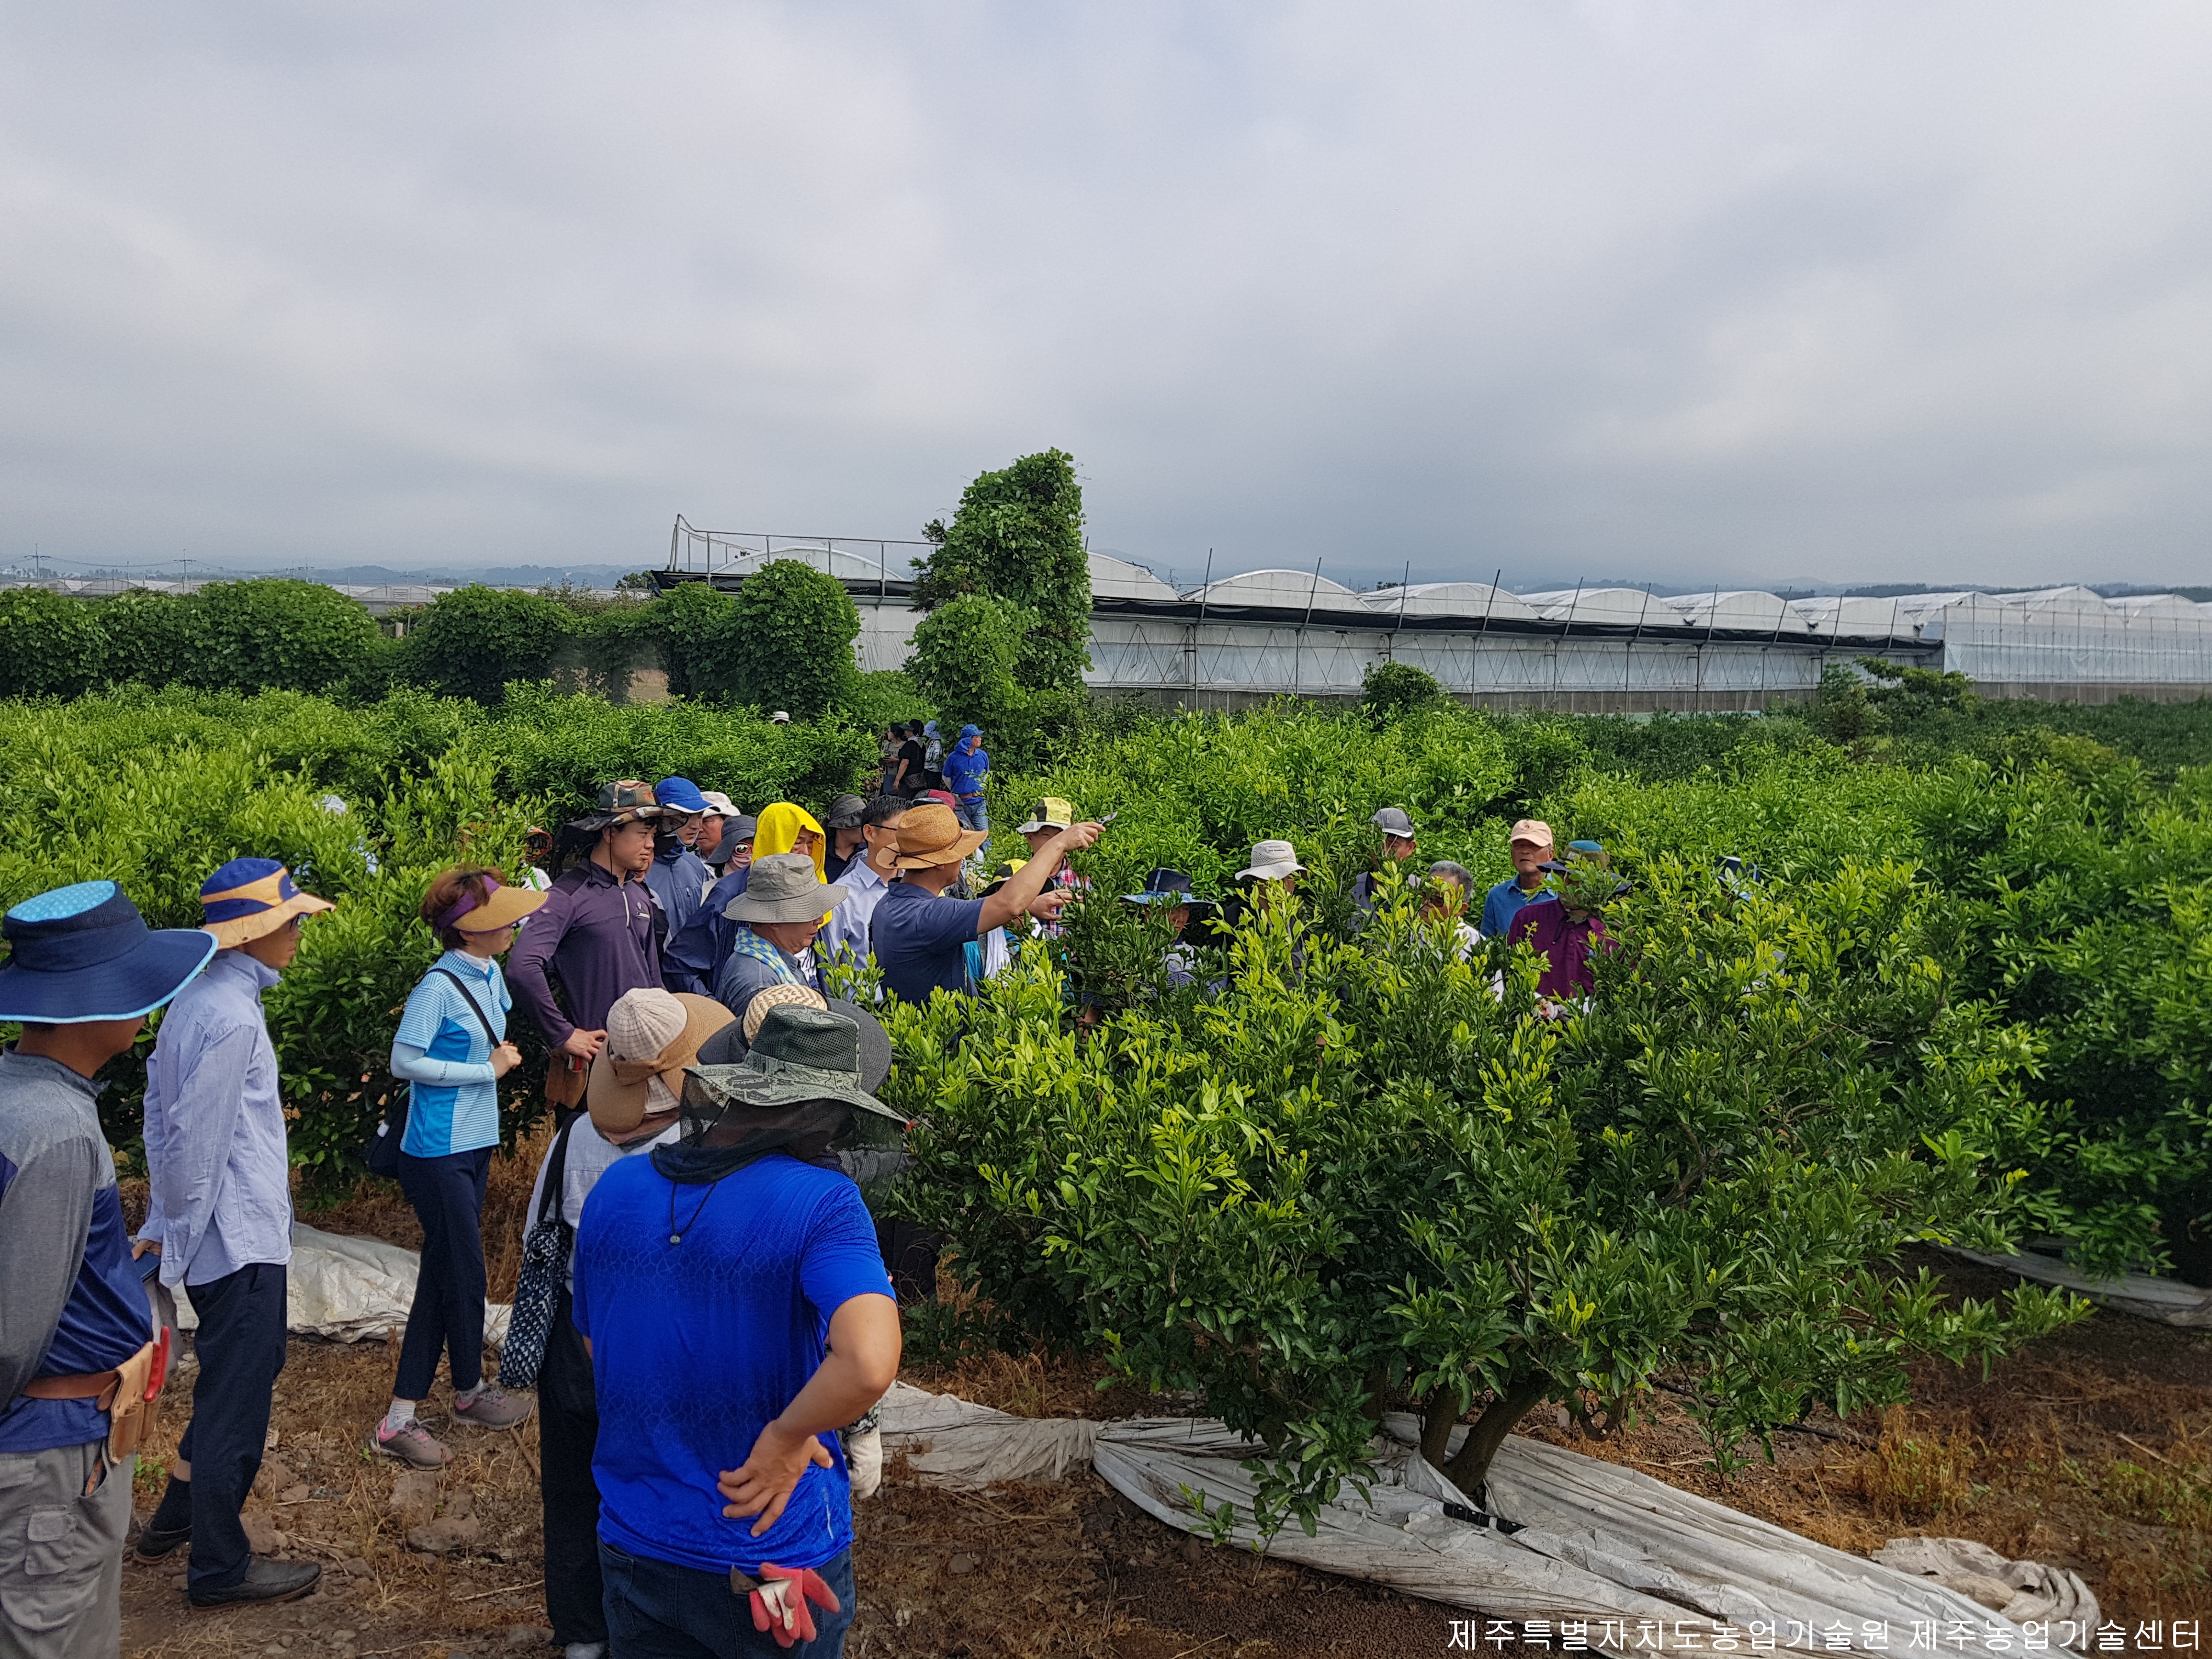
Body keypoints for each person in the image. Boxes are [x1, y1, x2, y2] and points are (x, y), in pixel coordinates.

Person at [571, 1003, 905, 1658]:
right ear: (822, 1113)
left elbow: (597, 1344)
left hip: (637, 1540)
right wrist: (788, 1433)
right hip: (770, 1551)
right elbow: (868, 1361)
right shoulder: (826, 1202)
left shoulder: (617, 1186)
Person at [1, 882, 215, 1644]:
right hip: (47, 1458)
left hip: (59, 1446)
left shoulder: (20, 1092)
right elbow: (12, 1331)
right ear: (96, 1005)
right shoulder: (55, 1127)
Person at [134, 860, 335, 1607]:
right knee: (237, 1403)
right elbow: (195, 1141)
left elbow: (162, 1119)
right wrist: (177, 1234)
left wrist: (164, 1224)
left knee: (230, 1385)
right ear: (253, 933)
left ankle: (175, 1522)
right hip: (238, 1241)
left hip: (226, 1238)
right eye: (290, 921)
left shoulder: (195, 1002)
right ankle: (219, 1568)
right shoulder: (231, 1016)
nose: (299, 931)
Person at [532, 988, 732, 1659]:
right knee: (653, 1487)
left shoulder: (570, 1141)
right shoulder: (697, 1150)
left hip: (577, 1345)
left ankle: (581, 1635)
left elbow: (541, 1236)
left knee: (569, 1489)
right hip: (668, 1348)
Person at [373, 868, 546, 1468]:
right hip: (436, 1150)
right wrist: (487, 1071)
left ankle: (456, 1396)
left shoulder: (490, 973)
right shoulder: (437, 989)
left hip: (473, 1144)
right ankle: (428, 1408)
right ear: (470, 931)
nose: (513, 924)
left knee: (446, 1275)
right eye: (500, 917)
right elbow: (404, 1061)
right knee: (463, 1276)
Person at [510, 781, 667, 1116]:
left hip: (643, 1059)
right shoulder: (567, 896)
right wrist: (563, 1034)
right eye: (642, 834)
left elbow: (653, 978)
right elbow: (522, 967)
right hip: (592, 1066)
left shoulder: (640, 896)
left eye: (652, 835)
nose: (650, 845)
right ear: (610, 833)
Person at [871, 802, 1103, 1006]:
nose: (964, 859)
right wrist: (1058, 844)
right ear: (940, 862)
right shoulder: (929, 915)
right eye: (959, 852)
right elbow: (1008, 905)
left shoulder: (889, 903)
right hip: (944, 1046)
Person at [665, 803, 823, 997]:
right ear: (772, 840)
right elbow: (680, 966)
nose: (806, 853)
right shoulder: (729, 895)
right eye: (797, 842)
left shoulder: (814, 885)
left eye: (811, 843)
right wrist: (717, 1012)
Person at [714, 854, 844, 1016]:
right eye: (808, 912)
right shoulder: (761, 986)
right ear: (774, 921)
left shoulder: (772, 960)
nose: (819, 920)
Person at [1505, 847, 1620, 1008]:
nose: (1565, 884)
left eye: (1575, 877)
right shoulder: (1528, 918)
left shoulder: (1616, 933)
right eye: (1560, 875)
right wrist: (1532, 1001)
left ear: (1598, 884)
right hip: (1533, 1029)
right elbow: (1509, 976)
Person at [820, 797, 906, 966]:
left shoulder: (916, 882)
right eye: (900, 831)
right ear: (869, 833)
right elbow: (831, 967)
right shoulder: (843, 898)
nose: (908, 839)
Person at [643, 777, 714, 941]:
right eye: (686, 816)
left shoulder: (694, 864)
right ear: (662, 816)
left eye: (700, 815)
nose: (697, 825)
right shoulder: (638, 868)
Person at [1122, 868, 1217, 988]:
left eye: (1186, 909)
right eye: (1173, 909)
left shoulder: (1192, 958)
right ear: (1148, 908)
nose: (1180, 919)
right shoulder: (1123, 949)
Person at [1480, 819, 1558, 940]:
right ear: (1511, 853)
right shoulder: (1497, 896)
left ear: (1550, 855)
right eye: (1519, 846)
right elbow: (1487, 944)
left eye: (1534, 846)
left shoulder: (1562, 894)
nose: (1525, 851)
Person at [1354, 807, 1419, 911]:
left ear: (1410, 848)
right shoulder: (1351, 890)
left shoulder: (1420, 894)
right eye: (1378, 844)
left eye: (1393, 845)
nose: (1384, 852)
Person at [1421, 860, 1481, 961]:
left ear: (1460, 909)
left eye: (1438, 900)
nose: (1427, 902)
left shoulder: (1476, 944)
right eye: (1424, 895)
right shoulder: (1402, 934)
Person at [943, 725, 990, 839]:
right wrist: (958, 791)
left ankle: (987, 857)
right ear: (968, 739)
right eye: (977, 736)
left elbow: (985, 774)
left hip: (979, 802)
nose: (980, 739)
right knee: (965, 836)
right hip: (960, 803)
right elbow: (946, 778)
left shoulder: (982, 755)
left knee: (983, 835)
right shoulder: (953, 758)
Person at [821, 794, 868, 882]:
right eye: (859, 825)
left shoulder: (868, 853)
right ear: (842, 826)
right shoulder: (820, 853)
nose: (866, 830)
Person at [889, 724, 926, 798]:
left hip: (909, 781)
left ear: (911, 732)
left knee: (903, 801)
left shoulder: (909, 745)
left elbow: (905, 763)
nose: (905, 732)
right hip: (920, 779)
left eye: (907, 730)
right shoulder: (921, 744)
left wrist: (897, 780)